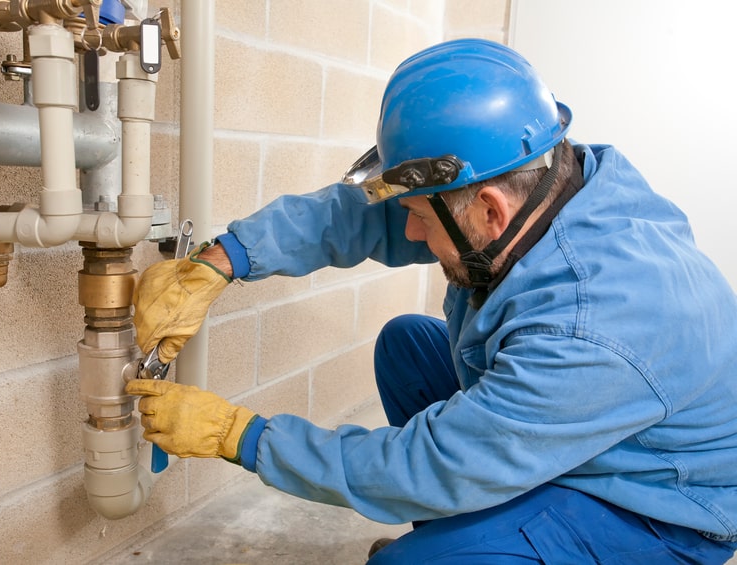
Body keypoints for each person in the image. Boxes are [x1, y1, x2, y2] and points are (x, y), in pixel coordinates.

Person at [125, 38, 737, 563]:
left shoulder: (592, 327)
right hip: (589, 429)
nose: (409, 233)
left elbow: (433, 462)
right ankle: (478, 527)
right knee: (406, 347)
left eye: (419, 215)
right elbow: (369, 216)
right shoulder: (545, 183)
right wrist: (219, 261)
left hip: (655, 502)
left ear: (491, 211)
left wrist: (242, 435)